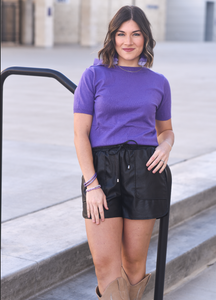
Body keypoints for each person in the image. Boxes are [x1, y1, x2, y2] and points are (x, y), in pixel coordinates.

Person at [73, 5, 174, 300]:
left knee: (133, 264)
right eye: (121, 34)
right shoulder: (93, 75)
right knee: (106, 266)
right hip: (101, 172)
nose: (128, 41)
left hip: (145, 171)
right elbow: (80, 134)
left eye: (136, 34)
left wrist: (165, 145)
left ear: (146, 38)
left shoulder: (159, 83)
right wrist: (91, 183)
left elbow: (166, 130)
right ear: (112, 37)